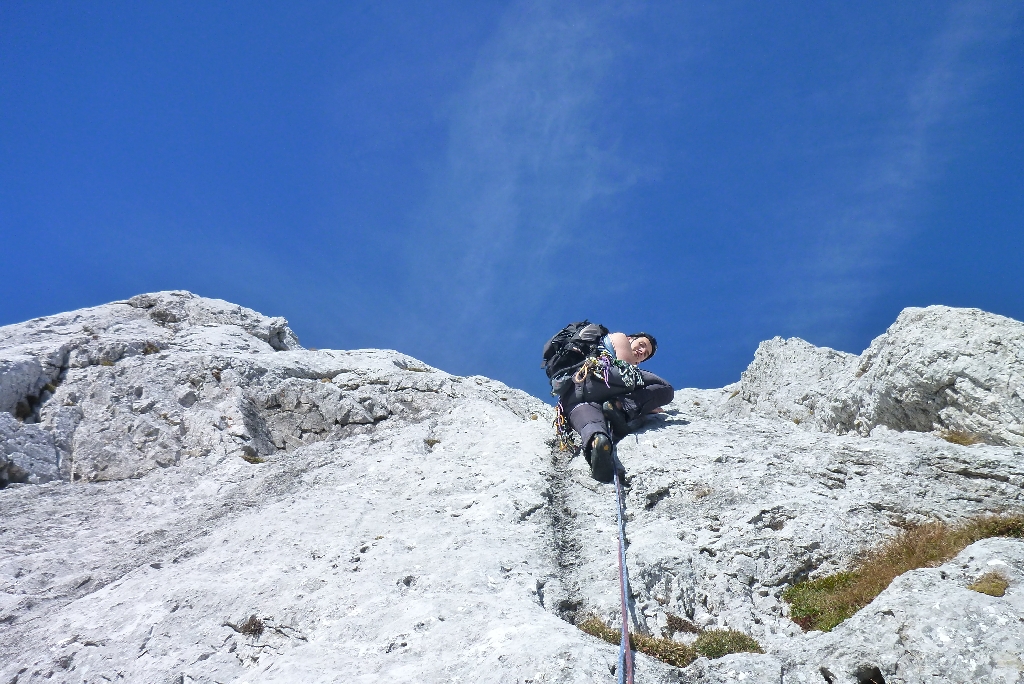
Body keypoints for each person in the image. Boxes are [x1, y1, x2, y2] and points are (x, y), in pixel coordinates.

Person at [557, 327, 674, 483]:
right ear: (630, 338)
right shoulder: (620, 338)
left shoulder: (600, 347)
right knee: (665, 389)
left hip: (572, 396)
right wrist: (645, 404)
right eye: (641, 344)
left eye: (645, 353)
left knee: (591, 425)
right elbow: (626, 371)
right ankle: (618, 406)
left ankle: (597, 444)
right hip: (600, 376)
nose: (642, 351)